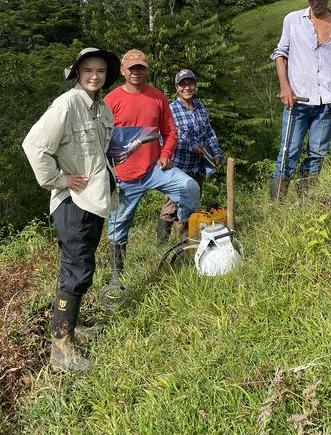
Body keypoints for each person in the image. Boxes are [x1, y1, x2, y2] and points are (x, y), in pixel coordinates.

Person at [22, 47, 120, 372]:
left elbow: (99, 152)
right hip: (72, 203)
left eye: (101, 71)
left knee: (82, 267)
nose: (95, 75)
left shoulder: (102, 109)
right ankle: (61, 349)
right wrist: (60, 180)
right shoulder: (67, 104)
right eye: (88, 70)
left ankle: (72, 327)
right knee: (76, 272)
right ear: (77, 73)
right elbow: (34, 145)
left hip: (93, 200)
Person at [104, 50, 200, 274]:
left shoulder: (157, 97)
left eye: (140, 68)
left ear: (147, 70)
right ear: (122, 71)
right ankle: (117, 277)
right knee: (118, 227)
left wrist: (166, 154)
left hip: (154, 168)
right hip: (123, 176)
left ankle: (184, 235)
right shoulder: (111, 100)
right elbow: (100, 138)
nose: (136, 72)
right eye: (131, 68)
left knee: (189, 187)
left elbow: (170, 131)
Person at [270, 0, 331, 201]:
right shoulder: (293, 20)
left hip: (329, 102)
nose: (315, 2)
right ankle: (276, 206)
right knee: (288, 152)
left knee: (318, 153)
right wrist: (285, 87)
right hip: (298, 100)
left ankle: (305, 202)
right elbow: (280, 54)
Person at [156, 69, 223, 244]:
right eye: (183, 84)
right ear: (177, 87)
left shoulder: (200, 108)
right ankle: (161, 243)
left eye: (190, 84)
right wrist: (192, 146)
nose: (187, 88)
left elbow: (209, 133)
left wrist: (216, 152)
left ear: (195, 86)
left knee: (192, 203)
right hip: (178, 166)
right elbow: (172, 135)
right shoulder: (171, 109)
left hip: (197, 166)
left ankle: (187, 241)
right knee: (171, 205)